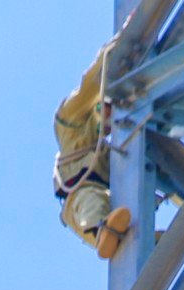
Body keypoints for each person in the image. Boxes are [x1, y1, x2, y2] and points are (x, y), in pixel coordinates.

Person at [55, 42, 133, 259]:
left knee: (113, 210)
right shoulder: (70, 121)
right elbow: (91, 82)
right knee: (91, 201)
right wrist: (117, 45)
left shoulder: (108, 150)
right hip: (79, 201)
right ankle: (102, 232)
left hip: (106, 203)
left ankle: (128, 238)